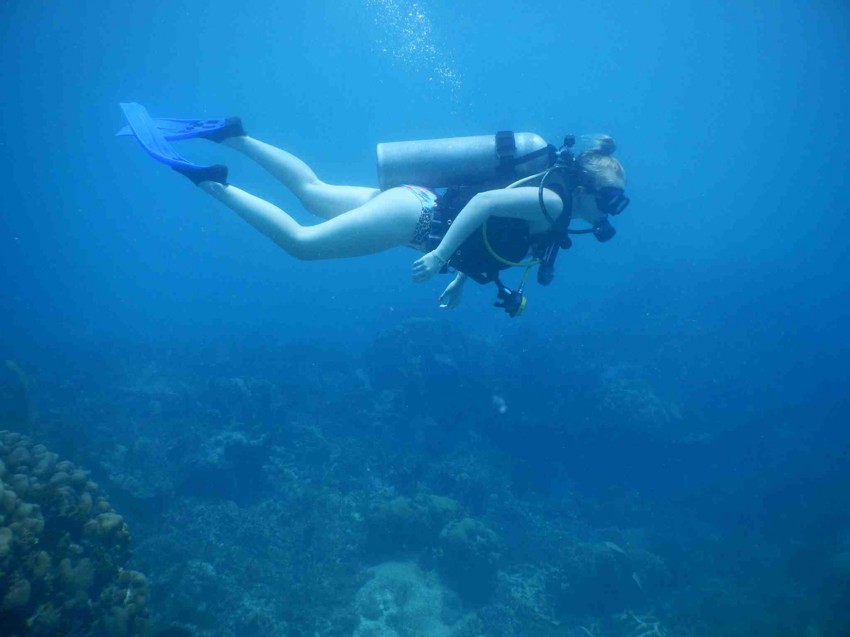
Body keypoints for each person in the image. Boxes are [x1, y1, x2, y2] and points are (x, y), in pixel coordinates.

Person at [119, 106, 628, 314]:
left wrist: (456, 275)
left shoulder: (554, 204)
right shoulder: (554, 200)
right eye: (606, 203)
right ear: (585, 187)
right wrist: (439, 256)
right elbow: (486, 201)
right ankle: (212, 183)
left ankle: (233, 136)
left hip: (416, 207)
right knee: (302, 244)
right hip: (418, 221)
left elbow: (492, 234)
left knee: (314, 192)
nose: (605, 215)